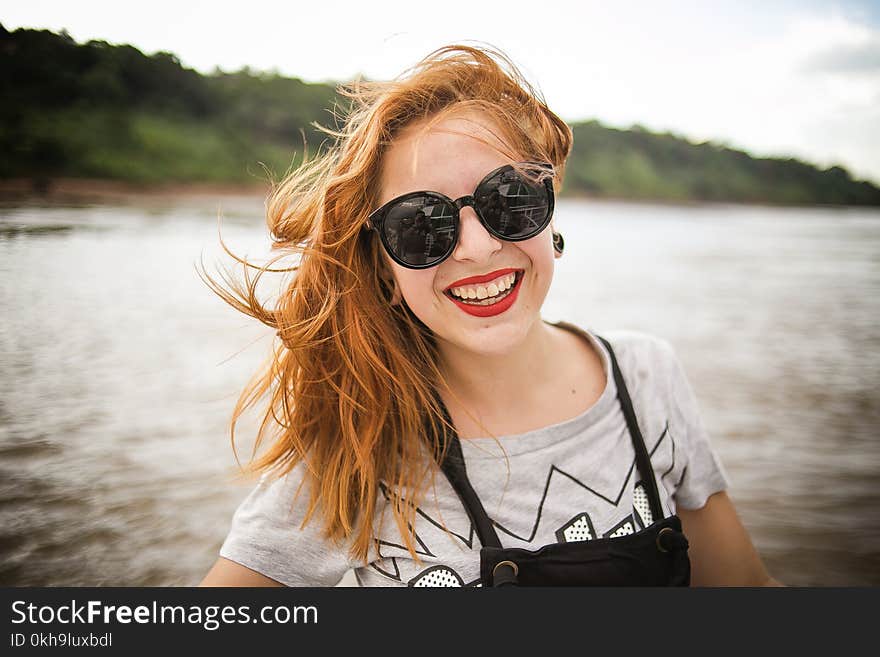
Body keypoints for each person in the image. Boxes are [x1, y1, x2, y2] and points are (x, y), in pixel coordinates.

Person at [199, 44, 781, 587]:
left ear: (550, 215)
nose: (476, 248)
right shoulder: (354, 449)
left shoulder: (646, 375)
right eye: (421, 225)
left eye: (509, 200)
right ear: (383, 269)